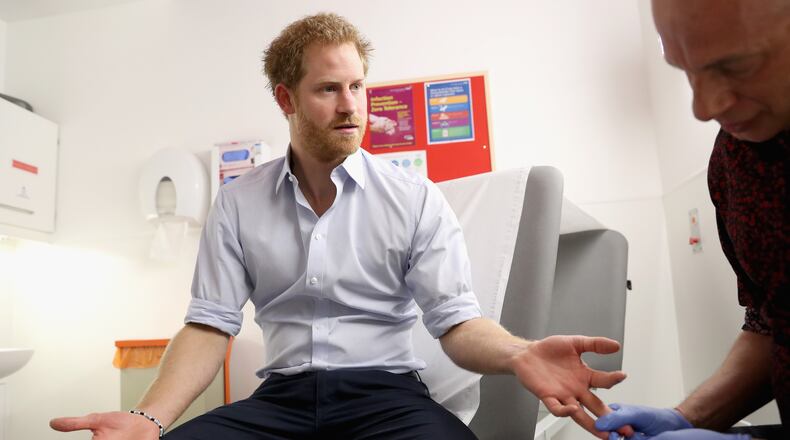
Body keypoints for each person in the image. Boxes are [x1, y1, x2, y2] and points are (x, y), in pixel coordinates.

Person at [50, 13, 627, 439]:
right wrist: (149, 418)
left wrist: (520, 352)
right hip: (280, 403)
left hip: (389, 399)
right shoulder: (238, 203)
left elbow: (457, 323)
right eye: (328, 89)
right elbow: (209, 327)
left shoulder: (413, 198)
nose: (351, 105)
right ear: (286, 99)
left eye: (357, 86)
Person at [595, 1, 790, 440]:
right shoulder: (738, 158)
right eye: (685, 70)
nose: (703, 107)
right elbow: (773, 320)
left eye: (736, 65)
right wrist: (688, 418)